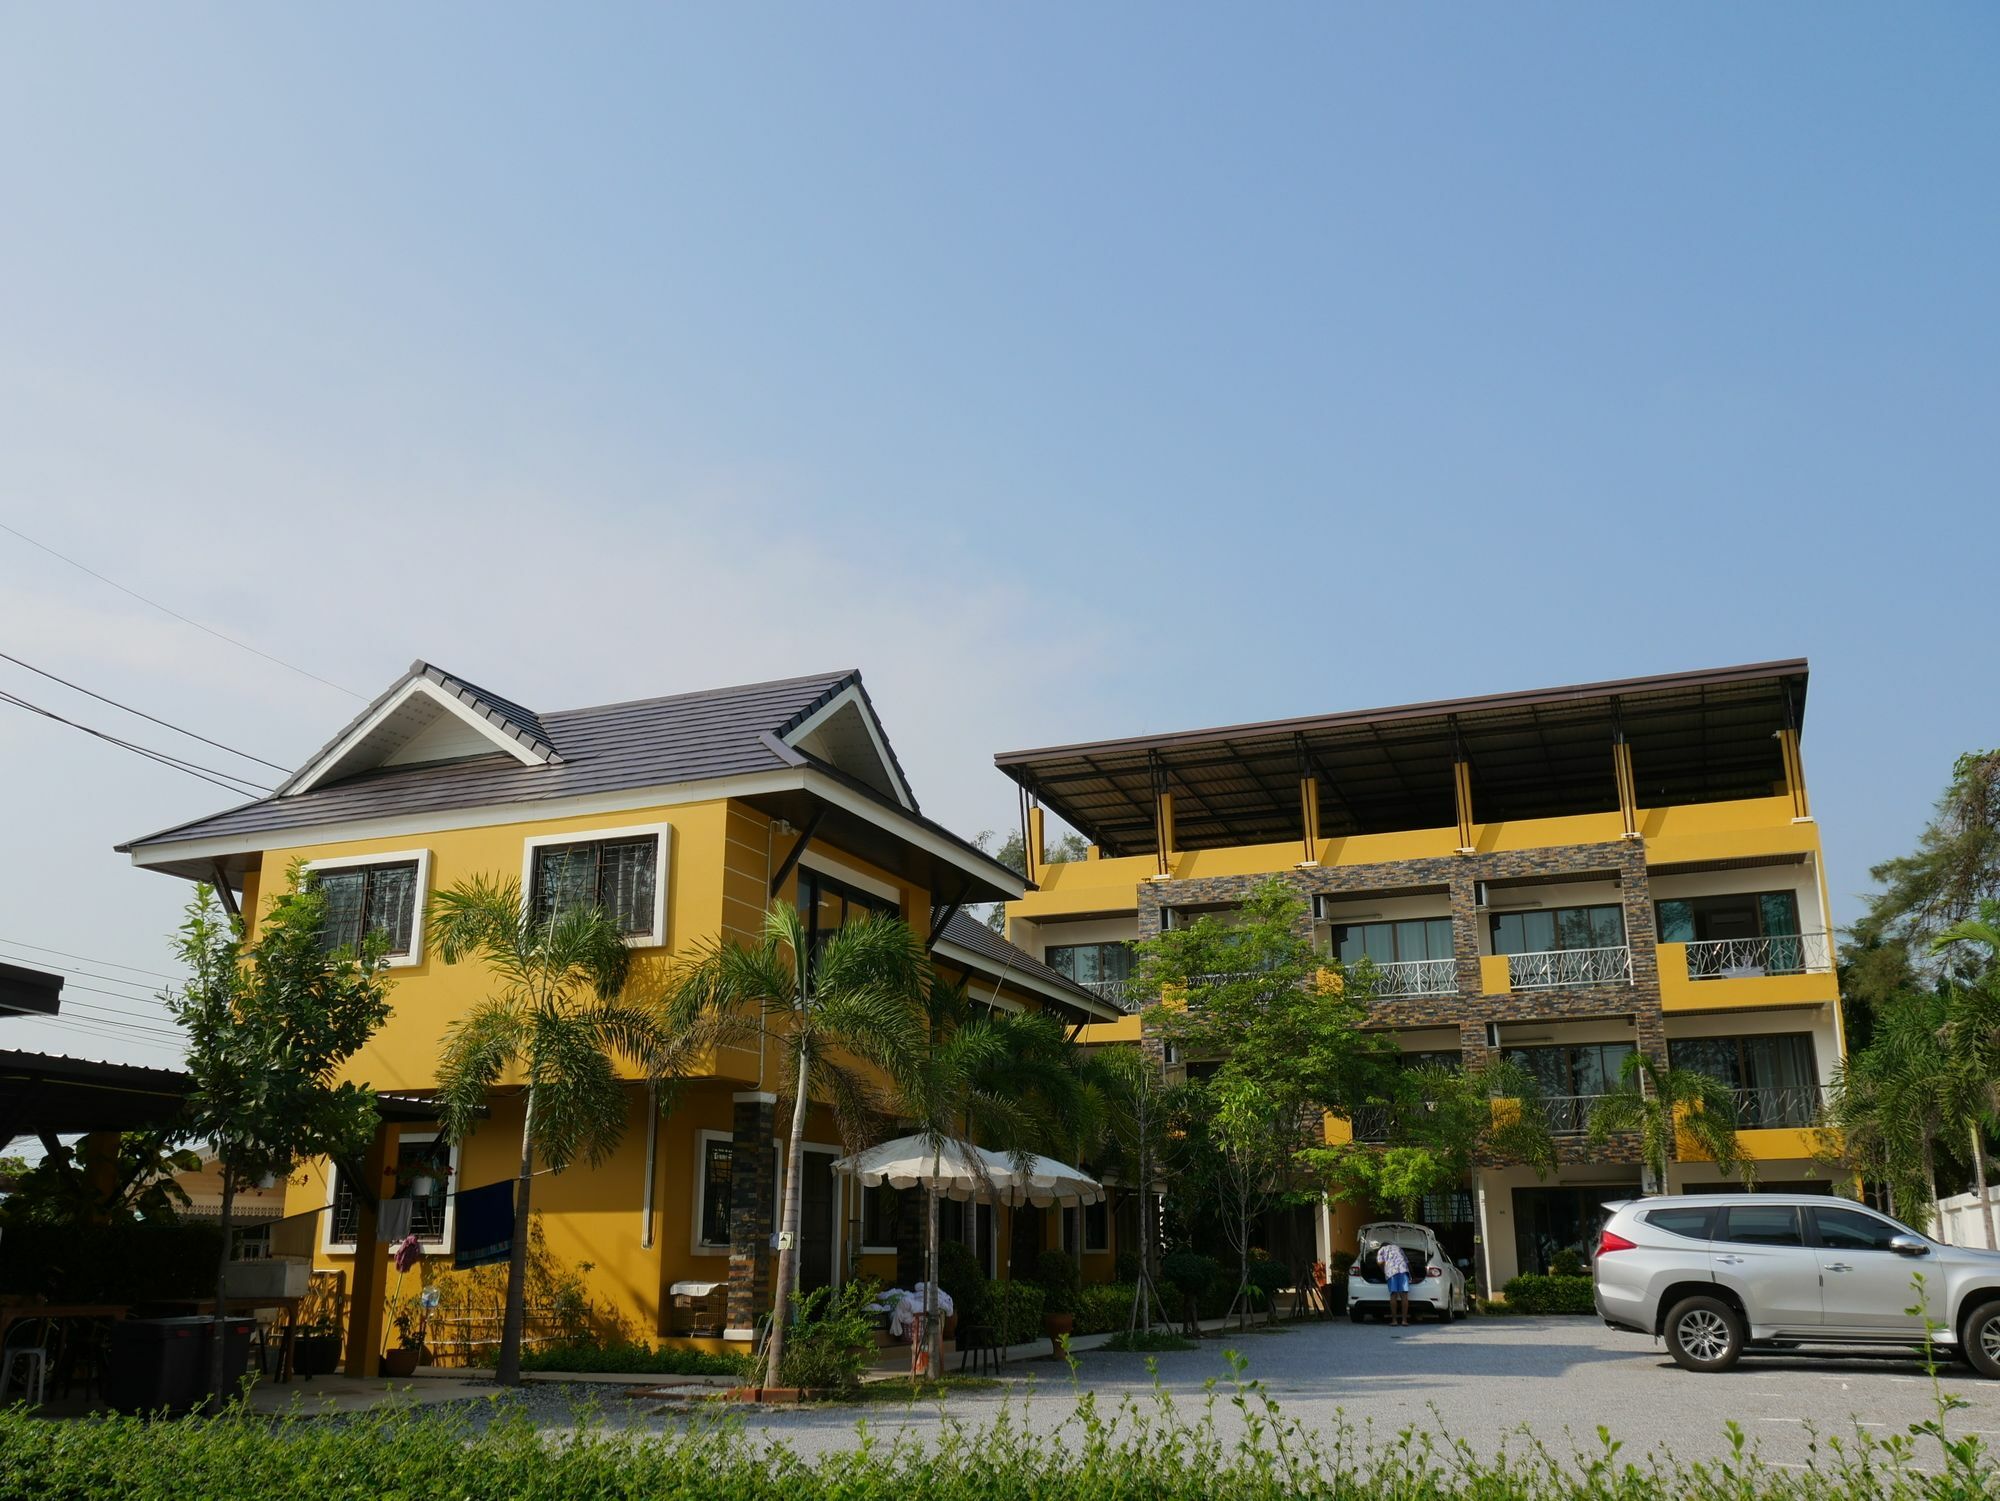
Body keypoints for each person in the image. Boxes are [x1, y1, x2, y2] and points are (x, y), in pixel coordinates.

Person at [1376, 1238, 1412, 1326]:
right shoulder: (1397, 1248)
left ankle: (1394, 1321)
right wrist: (1412, 1275)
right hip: (1403, 1270)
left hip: (1391, 1272)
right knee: (1404, 1295)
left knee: (1393, 1295)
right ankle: (1404, 1321)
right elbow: (1407, 1263)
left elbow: (1380, 1263)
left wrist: (1384, 1271)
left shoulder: (1381, 1249)